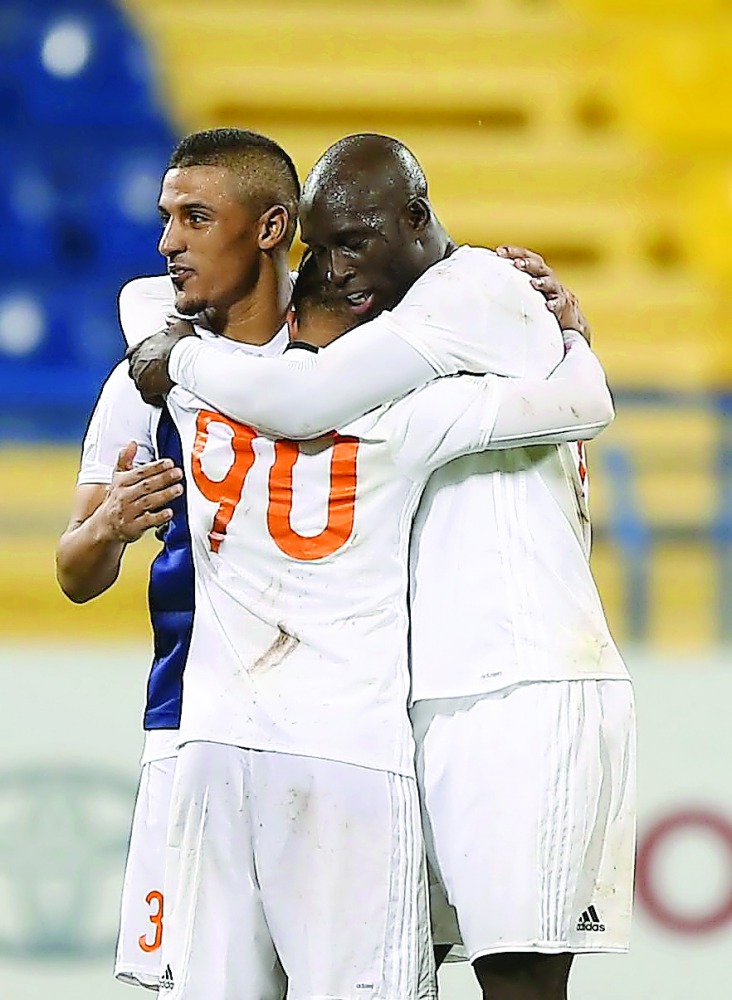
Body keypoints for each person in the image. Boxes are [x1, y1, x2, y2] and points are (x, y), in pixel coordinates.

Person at [128, 133, 634, 1000]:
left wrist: (177, 357)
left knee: (517, 975)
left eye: (353, 244)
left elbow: (300, 400)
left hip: (523, 682)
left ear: (416, 218)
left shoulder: (473, 293)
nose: (336, 270)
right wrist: (577, 348)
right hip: (415, 702)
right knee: (417, 969)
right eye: (319, 253)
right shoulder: (413, 356)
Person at [56, 127, 299, 990]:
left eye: (195, 217)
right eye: (166, 218)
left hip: (334, 734)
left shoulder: (348, 358)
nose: (168, 242)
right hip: (189, 727)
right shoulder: (143, 376)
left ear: (270, 228)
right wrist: (108, 528)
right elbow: (74, 570)